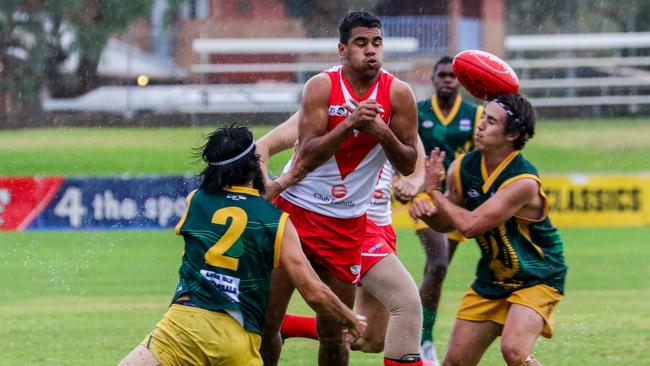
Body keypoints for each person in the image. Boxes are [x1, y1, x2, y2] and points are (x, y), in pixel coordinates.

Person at [117, 126, 366, 366]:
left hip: (182, 328)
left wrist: (283, 182)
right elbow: (313, 292)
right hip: (236, 338)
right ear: (253, 167)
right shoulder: (276, 221)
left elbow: (236, 204)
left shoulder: (196, 200)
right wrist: (350, 318)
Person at [260, 11, 419, 366]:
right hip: (295, 213)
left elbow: (408, 163)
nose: (371, 51)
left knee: (335, 336)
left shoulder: (399, 94)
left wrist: (381, 132)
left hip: (348, 225)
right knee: (267, 324)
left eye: (377, 43)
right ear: (342, 50)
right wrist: (350, 124)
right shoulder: (321, 86)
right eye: (361, 43)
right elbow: (308, 153)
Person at [410, 94, 568, 366]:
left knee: (514, 352)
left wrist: (433, 193)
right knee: (455, 363)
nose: (480, 125)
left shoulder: (523, 181)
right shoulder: (462, 167)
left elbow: (471, 226)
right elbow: (448, 223)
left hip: (538, 277)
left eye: (491, 121)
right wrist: (428, 214)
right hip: (492, 278)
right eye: (483, 117)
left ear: (513, 134)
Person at [256, 112, 425, 364]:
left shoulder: (396, 108)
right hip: (342, 219)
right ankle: (278, 326)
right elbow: (262, 146)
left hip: (378, 224)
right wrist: (268, 187)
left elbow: (416, 166)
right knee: (406, 302)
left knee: (372, 339)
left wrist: (413, 184)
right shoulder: (323, 107)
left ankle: (289, 325)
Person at [409, 55, 484, 365]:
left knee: (436, 272)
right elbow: (406, 151)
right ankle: (423, 340)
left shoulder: (475, 113)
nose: (447, 80)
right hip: (424, 198)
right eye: (442, 75)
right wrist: (407, 183)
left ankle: (408, 318)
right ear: (433, 78)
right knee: (438, 264)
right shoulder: (418, 112)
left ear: (460, 81)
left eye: (453, 76)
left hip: (457, 201)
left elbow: (482, 157)